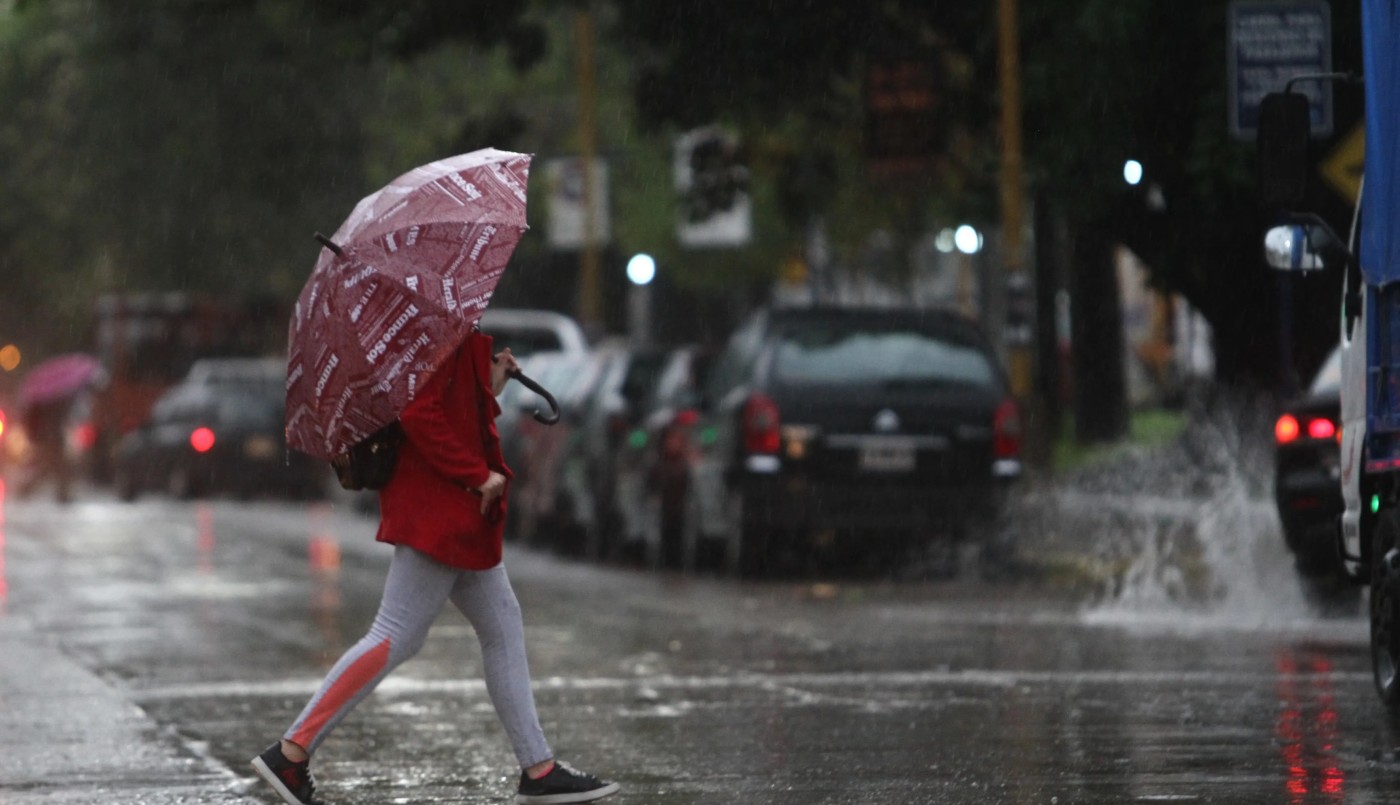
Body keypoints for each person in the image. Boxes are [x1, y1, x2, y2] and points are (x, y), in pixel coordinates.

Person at [252, 329, 619, 805]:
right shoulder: (432, 330)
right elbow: (420, 414)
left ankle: (539, 768)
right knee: (395, 634)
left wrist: (491, 382)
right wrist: (474, 474)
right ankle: (292, 752)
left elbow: (453, 412)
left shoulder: (445, 328)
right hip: (441, 511)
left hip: (456, 513)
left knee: (502, 626)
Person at [17, 398, 73, 503]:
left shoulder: (49, 401)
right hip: (50, 440)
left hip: (51, 439)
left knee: (50, 466)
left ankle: (27, 490)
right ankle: (63, 493)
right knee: (52, 465)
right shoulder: (49, 403)